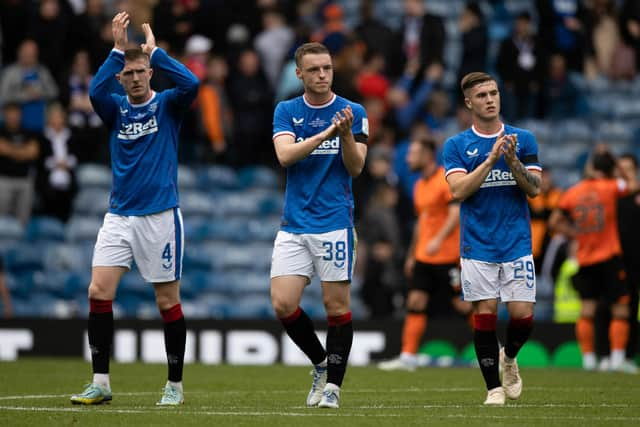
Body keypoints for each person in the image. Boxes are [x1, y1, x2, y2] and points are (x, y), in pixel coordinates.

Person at [69, 12, 199, 406]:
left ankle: (174, 385)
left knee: (166, 301)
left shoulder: (169, 106)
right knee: (98, 291)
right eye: (129, 73)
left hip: (160, 216)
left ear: (150, 73)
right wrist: (115, 50)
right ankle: (101, 382)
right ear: (121, 79)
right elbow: (94, 92)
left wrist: (155, 52)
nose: (137, 77)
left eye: (142, 71)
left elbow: (192, 82)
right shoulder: (115, 109)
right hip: (119, 216)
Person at [270, 42, 368, 409]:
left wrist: (343, 134)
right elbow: (285, 155)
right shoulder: (286, 110)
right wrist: (326, 134)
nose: (322, 75)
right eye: (313, 70)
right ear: (299, 74)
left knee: (336, 307)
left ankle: (334, 388)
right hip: (294, 223)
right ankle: (321, 362)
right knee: (282, 303)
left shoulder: (353, 111)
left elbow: (357, 167)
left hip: (334, 223)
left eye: (326, 68)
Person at [442, 72, 542, 405]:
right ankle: (493, 389)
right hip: (477, 244)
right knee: (484, 313)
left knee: (522, 316)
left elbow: (534, 189)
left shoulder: (523, 138)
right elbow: (458, 190)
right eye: (482, 95)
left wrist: (512, 160)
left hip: (516, 242)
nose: (490, 99)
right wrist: (490, 160)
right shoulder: (456, 145)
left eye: (494, 93)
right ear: (469, 102)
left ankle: (509, 359)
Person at [378, 137, 471, 371]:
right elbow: (422, 221)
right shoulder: (419, 185)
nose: (408, 158)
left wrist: (438, 239)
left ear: (428, 154)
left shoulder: (445, 180)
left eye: (413, 153)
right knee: (415, 302)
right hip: (424, 257)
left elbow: (455, 213)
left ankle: (494, 350)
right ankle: (408, 357)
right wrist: (412, 254)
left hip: (448, 256)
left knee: (463, 306)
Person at [549, 150, 630, 372]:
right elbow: (632, 184)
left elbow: (554, 222)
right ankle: (617, 359)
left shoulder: (573, 193)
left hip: (585, 257)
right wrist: (617, 163)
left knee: (587, 310)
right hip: (609, 256)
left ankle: (588, 360)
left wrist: (575, 234)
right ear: (610, 169)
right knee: (620, 308)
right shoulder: (611, 187)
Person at [616, 153, 640, 373]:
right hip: (614, 258)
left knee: (632, 309)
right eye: (620, 168)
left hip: (635, 260)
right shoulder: (613, 192)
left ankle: (629, 356)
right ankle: (608, 356)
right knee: (609, 308)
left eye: (628, 168)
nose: (623, 171)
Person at [0, 102, 41, 225]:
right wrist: (22, 152)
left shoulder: (28, 132)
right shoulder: (1, 131)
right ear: (5, 114)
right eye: (10, 113)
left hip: (25, 181)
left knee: (23, 221)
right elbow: (2, 148)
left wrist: (11, 151)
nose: (13, 116)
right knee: (2, 220)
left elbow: (33, 152)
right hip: (4, 180)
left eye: (16, 113)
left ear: (21, 115)